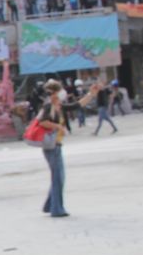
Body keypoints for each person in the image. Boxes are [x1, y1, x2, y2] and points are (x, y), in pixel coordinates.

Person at [35, 79, 99, 217]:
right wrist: (58, 126)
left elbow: (77, 105)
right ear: (56, 93)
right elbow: (42, 122)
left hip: (56, 145)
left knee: (59, 176)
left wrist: (91, 94)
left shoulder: (59, 106)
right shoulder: (48, 106)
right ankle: (57, 209)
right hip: (51, 146)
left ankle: (49, 205)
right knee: (58, 177)